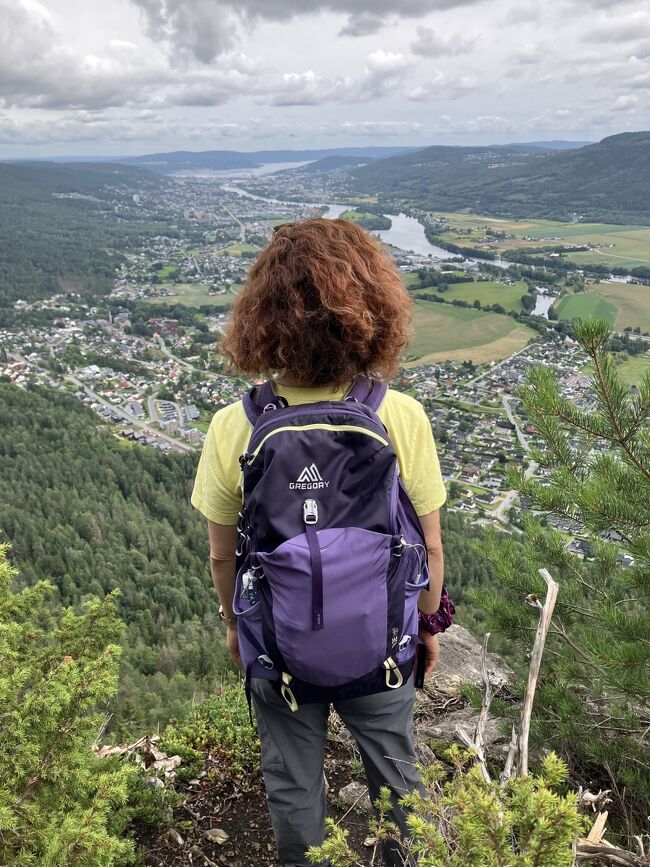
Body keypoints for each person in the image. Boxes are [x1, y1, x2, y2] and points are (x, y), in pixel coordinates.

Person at [191, 218, 448, 867]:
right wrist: (427, 623)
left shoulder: (235, 427)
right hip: (381, 647)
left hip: (280, 652)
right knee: (397, 781)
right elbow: (430, 550)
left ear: (264, 315)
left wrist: (233, 624)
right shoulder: (401, 416)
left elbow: (225, 555)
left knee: (293, 785)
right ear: (375, 309)